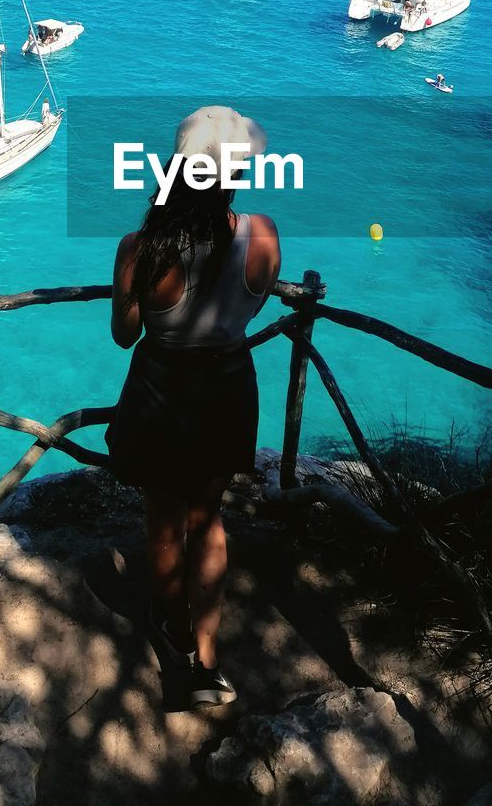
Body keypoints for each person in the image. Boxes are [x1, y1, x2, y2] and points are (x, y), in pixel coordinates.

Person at [107, 106, 281, 707]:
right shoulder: (263, 236)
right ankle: (208, 661)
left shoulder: (142, 248)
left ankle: (172, 630)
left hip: (163, 390)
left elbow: (124, 335)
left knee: (164, 521)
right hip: (229, 387)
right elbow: (250, 305)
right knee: (208, 520)